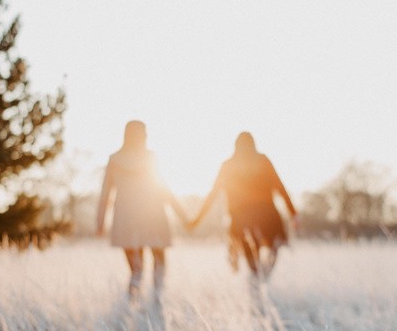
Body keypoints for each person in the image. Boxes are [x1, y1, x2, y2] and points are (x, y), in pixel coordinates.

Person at [97, 121, 186, 298]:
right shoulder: (150, 157)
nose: (146, 135)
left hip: (126, 220)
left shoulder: (115, 159)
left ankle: (134, 304)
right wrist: (184, 217)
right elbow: (163, 188)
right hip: (153, 216)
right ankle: (155, 302)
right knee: (158, 265)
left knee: (136, 271)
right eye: (144, 132)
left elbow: (106, 192)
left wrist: (100, 221)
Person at [189, 132, 297, 276]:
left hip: (242, 218)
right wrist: (293, 213)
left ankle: (256, 278)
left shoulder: (228, 165)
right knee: (272, 247)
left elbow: (212, 195)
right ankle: (263, 276)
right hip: (267, 216)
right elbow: (280, 187)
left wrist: (196, 220)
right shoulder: (262, 161)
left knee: (250, 252)